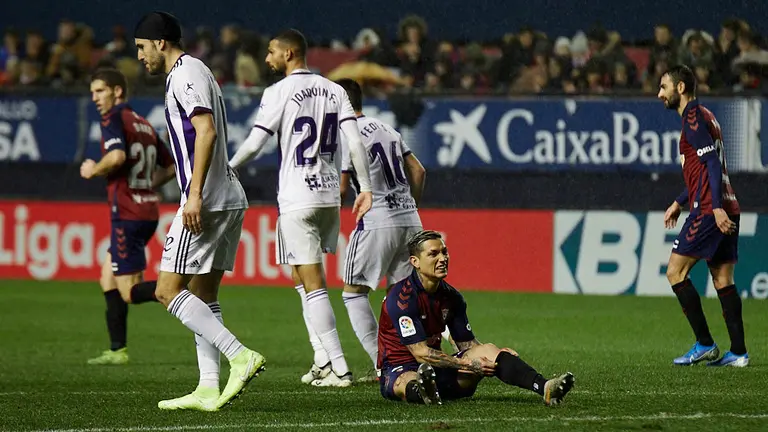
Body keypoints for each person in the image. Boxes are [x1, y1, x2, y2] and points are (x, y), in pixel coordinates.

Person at [133, 11, 265, 411]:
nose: (140, 57)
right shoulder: (195, 71)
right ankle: (208, 386)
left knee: (166, 290)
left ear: (160, 42)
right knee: (202, 293)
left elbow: (204, 130)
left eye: (141, 48)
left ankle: (239, 355)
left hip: (205, 200)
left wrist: (192, 195)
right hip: (225, 196)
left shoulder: (185, 73)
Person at [228, 29, 373, 387]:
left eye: (271, 52)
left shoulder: (279, 91)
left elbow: (258, 140)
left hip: (297, 196)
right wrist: (365, 187)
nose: (267, 59)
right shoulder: (336, 89)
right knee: (300, 277)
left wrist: (228, 167)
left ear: (289, 53)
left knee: (314, 283)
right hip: (327, 197)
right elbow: (354, 142)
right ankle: (322, 357)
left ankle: (340, 368)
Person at [292, 77, 426, 384]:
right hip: (410, 221)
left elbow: (340, 189)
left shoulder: (345, 136)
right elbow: (419, 170)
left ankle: (384, 367)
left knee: (353, 293)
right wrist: (410, 207)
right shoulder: (387, 128)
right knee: (403, 297)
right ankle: (417, 362)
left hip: (376, 221)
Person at [378, 230, 575, 405]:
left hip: (436, 370)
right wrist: (466, 364)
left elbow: (467, 345)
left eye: (444, 252)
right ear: (415, 262)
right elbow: (420, 353)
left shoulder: (452, 297)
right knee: (409, 379)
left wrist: (497, 356)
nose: (443, 258)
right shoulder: (401, 298)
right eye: (433, 254)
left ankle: (546, 387)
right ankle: (423, 391)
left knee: (487, 349)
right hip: (399, 369)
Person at [80, 68, 175, 365]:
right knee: (107, 277)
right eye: (93, 92)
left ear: (117, 91)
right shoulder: (144, 124)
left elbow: (117, 157)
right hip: (146, 210)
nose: (94, 98)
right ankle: (117, 349)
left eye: (100, 91)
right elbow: (171, 166)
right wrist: (147, 186)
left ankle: (176, 290)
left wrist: (93, 169)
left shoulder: (113, 119)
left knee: (129, 292)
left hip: (128, 214)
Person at [658, 65, 748, 367]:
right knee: (722, 278)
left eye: (664, 87)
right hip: (726, 205)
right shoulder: (707, 116)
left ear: (680, 88)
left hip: (711, 210)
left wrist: (716, 207)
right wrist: (679, 200)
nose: (660, 94)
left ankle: (705, 344)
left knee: (675, 272)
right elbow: (705, 170)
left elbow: (711, 164)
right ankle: (738, 353)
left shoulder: (694, 120)